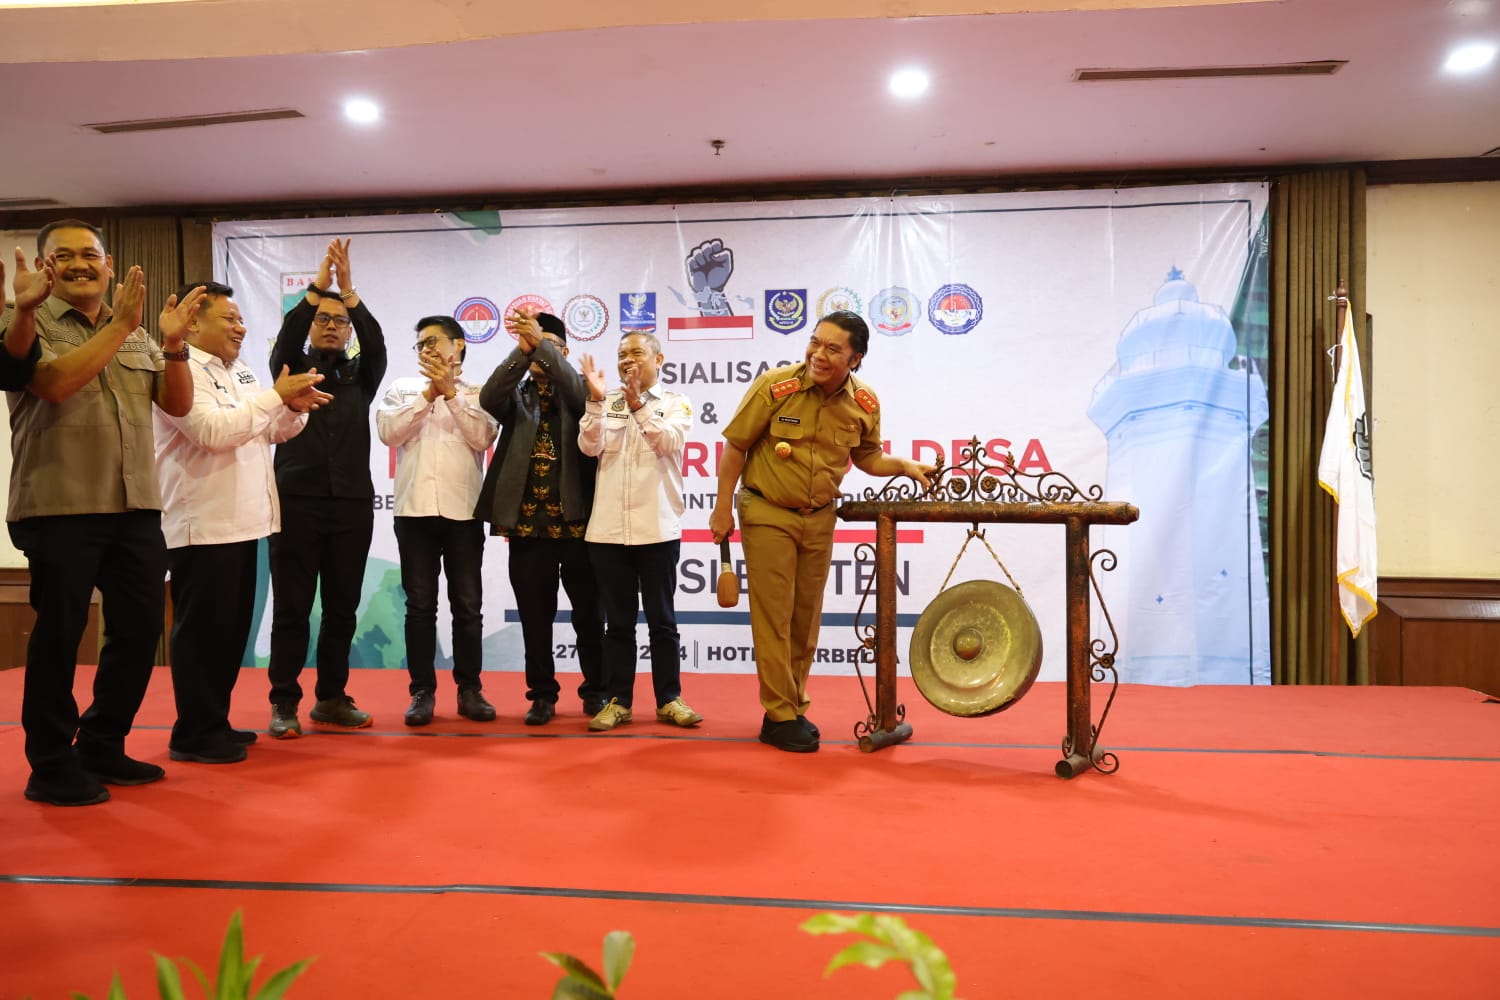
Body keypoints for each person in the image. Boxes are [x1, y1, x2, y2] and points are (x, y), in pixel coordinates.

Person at [3, 218, 201, 805]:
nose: (80, 263)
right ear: (45, 267)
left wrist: (171, 346)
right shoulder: (27, 320)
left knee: (139, 632)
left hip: (135, 505)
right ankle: (49, 762)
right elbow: (54, 385)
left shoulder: (133, 332)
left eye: (91, 254)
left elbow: (178, 404)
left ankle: (103, 743)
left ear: (109, 263)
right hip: (60, 504)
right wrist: (120, 327)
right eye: (64, 255)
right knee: (60, 635)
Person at [709, 311, 934, 753]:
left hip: (819, 516)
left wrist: (904, 465)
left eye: (834, 349)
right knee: (774, 617)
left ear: (856, 358)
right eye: (815, 342)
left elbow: (869, 459)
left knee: (805, 619)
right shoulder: (776, 386)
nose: (819, 354)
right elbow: (736, 445)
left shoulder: (865, 403)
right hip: (767, 510)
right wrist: (721, 509)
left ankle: (792, 705)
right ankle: (779, 714)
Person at [154, 281, 331, 764]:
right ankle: (192, 732)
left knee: (230, 633)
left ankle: (214, 720)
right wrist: (276, 397)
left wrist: (292, 408)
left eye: (239, 319)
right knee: (202, 633)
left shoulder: (241, 372)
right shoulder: (178, 368)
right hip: (202, 522)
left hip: (247, 521)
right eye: (229, 320)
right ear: (192, 322)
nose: (241, 327)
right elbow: (211, 432)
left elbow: (270, 430)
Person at [266, 238, 387, 738]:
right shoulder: (290, 371)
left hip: (352, 507)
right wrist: (318, 289)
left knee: (342, 609)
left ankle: (331, 698)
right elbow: (288, 334)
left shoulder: (363, 375)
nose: (332, 326)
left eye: (340, 321)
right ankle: (284, 703)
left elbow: (376, 340)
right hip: (296, 504)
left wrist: (349, 291)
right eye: (324, 320)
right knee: (293, 608)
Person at [475, 310, 606, 725]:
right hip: (528, 526)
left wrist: (545, 349)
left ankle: (597, 690)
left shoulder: (582, 391)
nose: (538, 352)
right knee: (535, 616)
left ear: (563, 351)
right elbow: (487, 397)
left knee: (589, 614)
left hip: (580, 523)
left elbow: (582, 398)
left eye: (547, 345)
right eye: (532, 345)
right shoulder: (516, 395)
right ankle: (542, 695)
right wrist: (522, 349)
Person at [376, 316, 498, 726]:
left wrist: (451, 395)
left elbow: (482, 438)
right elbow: (390, 434)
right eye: (420, 345)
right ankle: (422, 692)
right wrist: (430, 393)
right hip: (414, 513)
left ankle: (470, 690)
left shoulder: (480, 392)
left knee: (468, 606)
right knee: (419, 606)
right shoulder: (402, 389)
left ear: (458, 345)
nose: (426, 350)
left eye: (433, 342)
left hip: (463, 513)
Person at [578, 333, 703, 732]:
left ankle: (669, 699)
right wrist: (596, 401)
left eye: (636, 353)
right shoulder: (606, 401)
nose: (627, 361)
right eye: (621, 355)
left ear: (658, 359)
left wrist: (636, 404)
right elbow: (588, 447)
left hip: (657, 528)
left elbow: (667, 441)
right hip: (608, 532)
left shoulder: (676, 402)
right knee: (617, 623)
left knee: (662, 621)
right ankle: (618, 702)